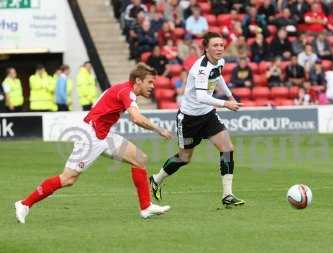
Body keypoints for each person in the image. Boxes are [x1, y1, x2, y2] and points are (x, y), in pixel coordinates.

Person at [15, 64, 173, 224]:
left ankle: (145, 207)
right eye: (150, 82)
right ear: (138, 81)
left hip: (104, 134)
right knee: (68, 179)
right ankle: (24, 204)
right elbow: (136, 118)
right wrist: (159, 129)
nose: (153, 86)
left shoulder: (123, 89)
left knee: (140, 159)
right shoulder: (126, 92)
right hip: (91, 136)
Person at [149, 32, 244, 208]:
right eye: (215, 45)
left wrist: (230, 95)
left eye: (221, 45)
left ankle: (227, 194)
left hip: (207, 115)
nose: (219, 48)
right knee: (184, 158)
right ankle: (156, 179)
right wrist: (226, 104)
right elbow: (201, 96)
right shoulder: (201, 68)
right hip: (189, 119)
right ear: (206, 48)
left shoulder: (219, 61)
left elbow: (218, 76)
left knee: (227, 149)